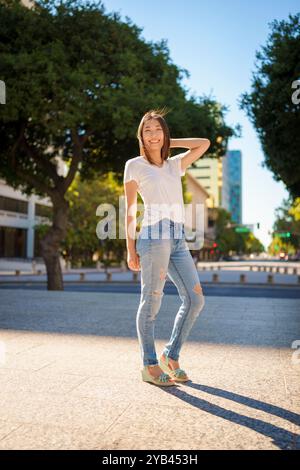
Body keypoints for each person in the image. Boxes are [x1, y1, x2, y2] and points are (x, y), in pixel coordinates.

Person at [123, 108, 211, 387]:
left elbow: (204, 144)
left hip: (177, 238)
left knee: (196, 299)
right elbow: (129, 209)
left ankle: (170, 356)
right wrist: (130, 248)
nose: (153, 135)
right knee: (151, 302)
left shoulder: (175, 165)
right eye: (147, 130)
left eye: (157, 129)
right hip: (153, 236)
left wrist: (167, 142)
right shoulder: (134, 165)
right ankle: (149, 365)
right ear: (140, 135)